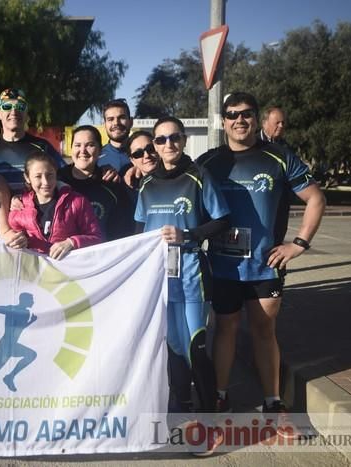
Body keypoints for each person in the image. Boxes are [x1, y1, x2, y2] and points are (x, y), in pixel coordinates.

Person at [197, 92, 326, 438]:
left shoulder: (279, 157)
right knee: (223, 330)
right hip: (222, 267)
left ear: (256, 119)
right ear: (222, 121)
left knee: (264, 331)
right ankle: (219, 399)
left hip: (264, 266)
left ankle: (273, 404)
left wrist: (298, 244)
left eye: (247, 114)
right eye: (232, 114)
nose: (240, 120)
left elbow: (315, 197)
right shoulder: (209, 162)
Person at [135, 116, 230, 457]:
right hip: (159, 282)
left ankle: (209, 423)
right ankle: (182, 411)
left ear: (184, 139)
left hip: (191, 277)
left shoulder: (199, 177)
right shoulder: (146, 185)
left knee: (194, 346)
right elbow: (137, 234)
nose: (168, 145)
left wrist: (188, 235)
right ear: (154, 146)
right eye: (160, 140)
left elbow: (222, 220)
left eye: (174, 137)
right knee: (173, 346)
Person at [8, 151, 101, 260]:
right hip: (35, 272)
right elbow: (12, 236)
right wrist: (19, 240)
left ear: (56, 173)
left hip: (69, 271)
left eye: (50, 175)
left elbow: (97, 238)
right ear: (27, 178)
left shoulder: (77, 202)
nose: (46, 182)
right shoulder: (19, 207)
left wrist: (72, 242)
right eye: (38, 176)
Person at [0, 88, 66, 193]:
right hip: (0, 208)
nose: (14, 112)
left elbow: (64, 176)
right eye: (7, 107)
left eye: (20, 107)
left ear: (27, 115)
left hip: (36, 209)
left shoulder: (43, 147)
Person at [57, 125, 135, 241]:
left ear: (100, 150)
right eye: (78, 145)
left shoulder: (111, 184)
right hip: (59, 255)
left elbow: (122, 232)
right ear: (71, 149)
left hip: (99, 256)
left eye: (90, 145)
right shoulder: (56, 180)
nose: (83, 151)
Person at [99, 98, 133, 172]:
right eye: (110, 119)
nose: (116, 123)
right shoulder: (95, 156)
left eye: (121, 118)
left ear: (131, 122)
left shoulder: (145, 155)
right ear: (104, 124)